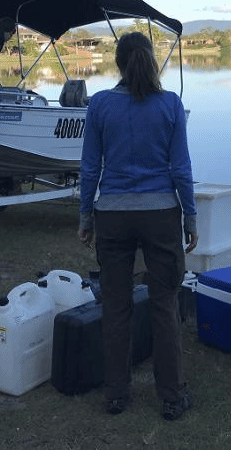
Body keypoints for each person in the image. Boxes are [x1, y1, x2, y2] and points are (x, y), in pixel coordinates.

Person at [78, 32, 197, 421]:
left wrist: (85, 215)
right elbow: (180, 167)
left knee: (116, 305)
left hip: (112, 215)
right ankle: (172, 396)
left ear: (118, 63)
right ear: (151, 60)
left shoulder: (99, 104)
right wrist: (190, 215)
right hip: (161, 215)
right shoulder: (170, 104)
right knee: (164, 303)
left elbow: (90, 168)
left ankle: (116, 393)